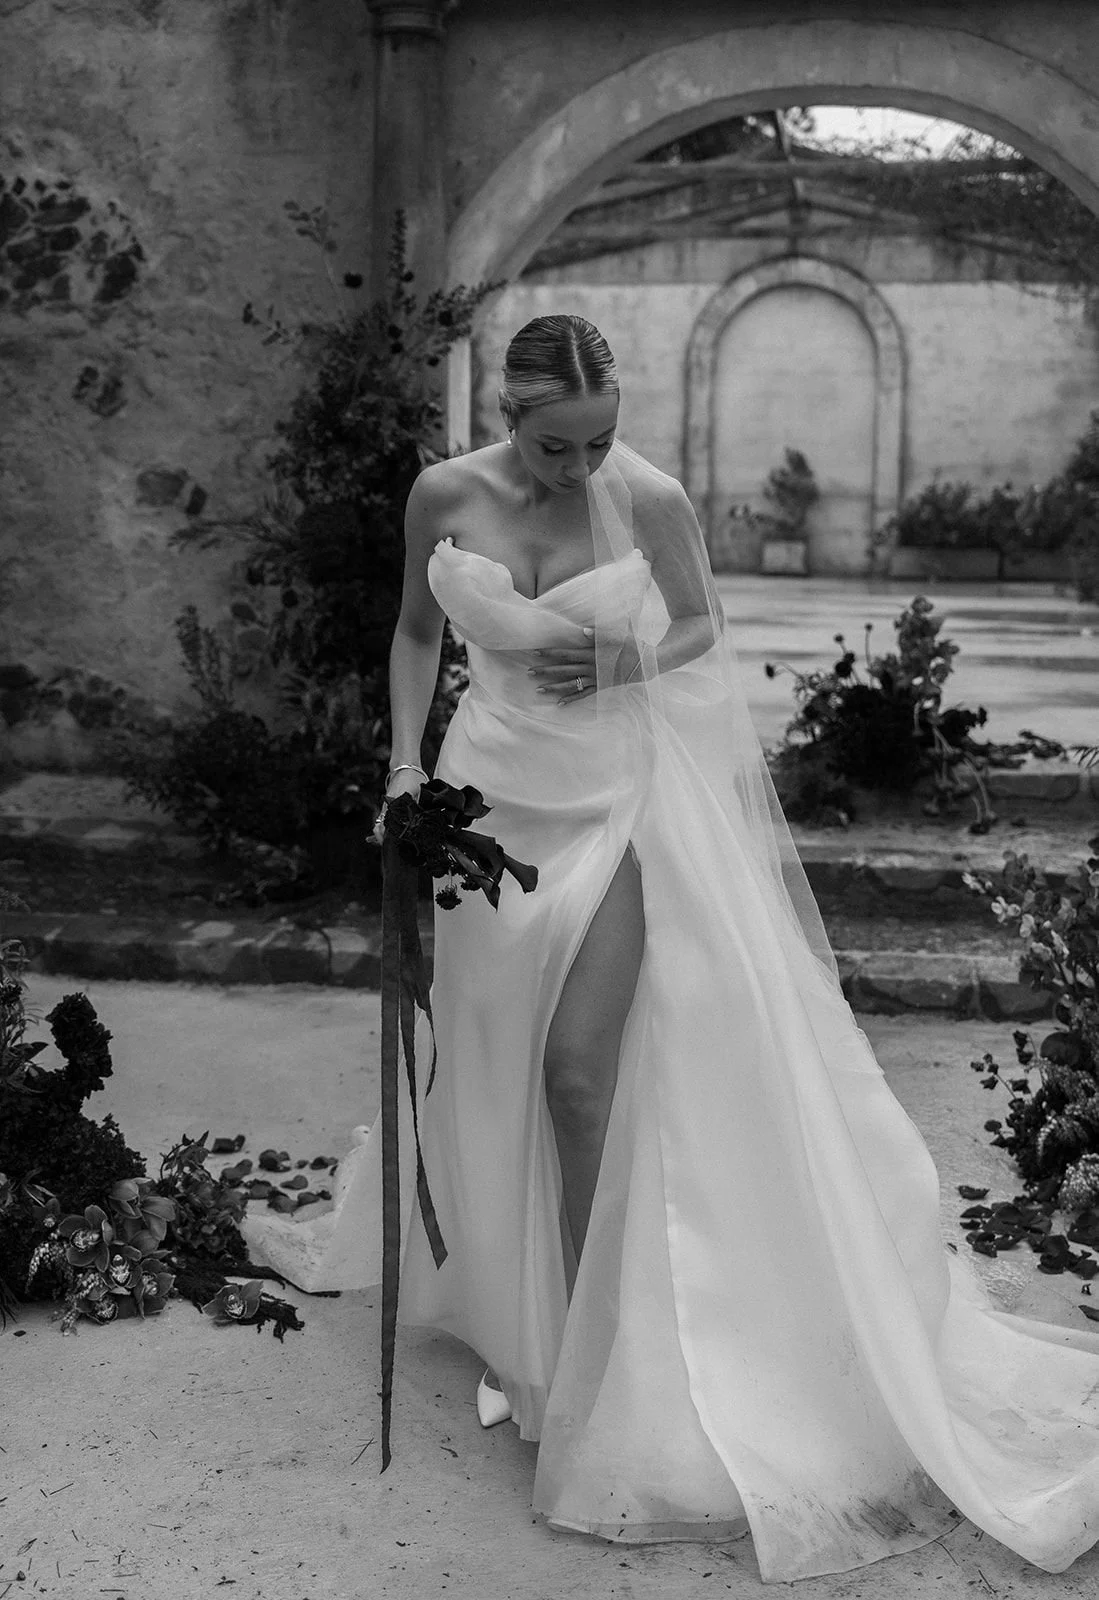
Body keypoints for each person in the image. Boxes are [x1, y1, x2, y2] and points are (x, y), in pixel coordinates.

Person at [245, 314, 1099, 1584]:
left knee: (577, 1074)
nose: (578, 467)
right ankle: (512, 1317)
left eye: (599, 439)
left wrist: (632, 649)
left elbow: (704, 626)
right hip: (486, 803)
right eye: (552, 444)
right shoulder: (443, 493)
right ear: (506, 415)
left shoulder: (646, 496)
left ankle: (597, 1362)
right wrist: (401, 767)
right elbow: (419, 634)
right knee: (486, 1049)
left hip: (620, 798)